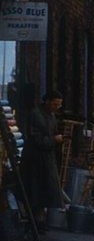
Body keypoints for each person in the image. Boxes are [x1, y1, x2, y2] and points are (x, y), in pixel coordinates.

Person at [22, 91, 65, 226]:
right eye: (54, 104)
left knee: (45, 192)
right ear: (47, 101)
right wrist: (54, 140)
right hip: (35, 159)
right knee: (35, 191)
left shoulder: (51, 116)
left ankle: (39, 221)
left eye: (59, 105)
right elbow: (36, 139)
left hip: (46, 159)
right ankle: (33, 222)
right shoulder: (36, 115)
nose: (56, 107)